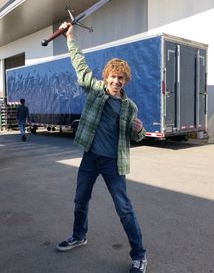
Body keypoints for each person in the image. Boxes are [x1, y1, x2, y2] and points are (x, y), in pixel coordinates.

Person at [56, 22, 147, 273]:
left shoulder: (130, 108)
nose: (116, 81)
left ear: (124, 80)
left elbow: (136, 137)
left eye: (120, 77)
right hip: (90, 157)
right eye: (112, 76)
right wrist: (70, 36)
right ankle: (78, 235)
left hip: (112, 163)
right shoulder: (95, 90)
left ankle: (139, 255)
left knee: (124, 209)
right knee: (80, 200)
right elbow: (79, 63)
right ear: (105, 77)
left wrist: (139, 130)